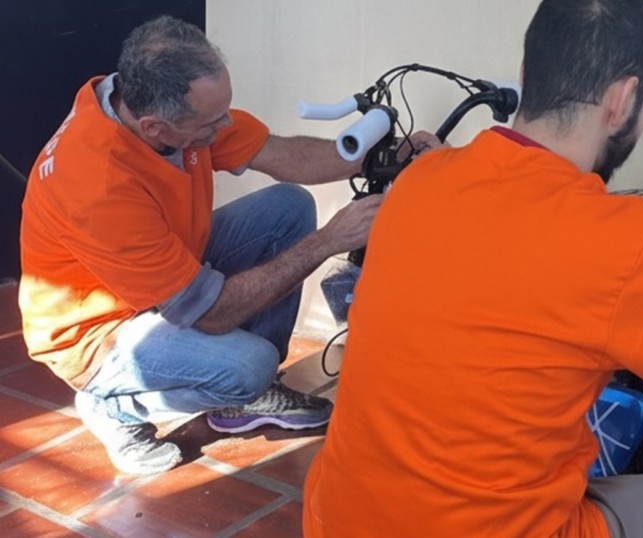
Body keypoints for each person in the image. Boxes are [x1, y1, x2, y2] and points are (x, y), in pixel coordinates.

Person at [302, 0, 643, 536]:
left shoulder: (422, 180)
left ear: (525, 73)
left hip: (338, 518)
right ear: (623, 99)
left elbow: (509, 248)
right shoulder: (622, 242)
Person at [18, 15, 437, 476]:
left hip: (162, 276)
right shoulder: (96, 184)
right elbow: (212, 313)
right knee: (249, 366)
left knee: (288, 206)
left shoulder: (153, 108)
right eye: (213, 121)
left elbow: (282, 154)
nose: (226, 125)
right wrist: (328, 242)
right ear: (156, 128)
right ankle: (114, 404)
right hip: (98, 334)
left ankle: (243, 396)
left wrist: (387, 157)